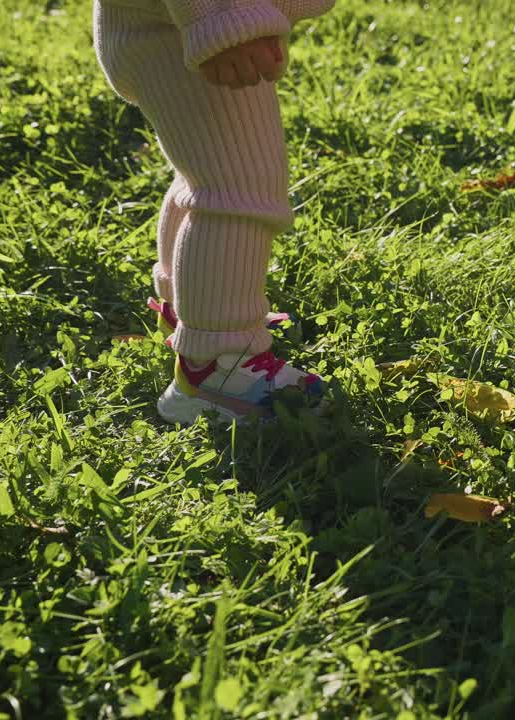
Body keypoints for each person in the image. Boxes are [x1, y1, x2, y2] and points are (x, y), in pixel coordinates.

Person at [93, 0, 335, 424]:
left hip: (179, 22)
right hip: (186, 23)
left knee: (211, 171)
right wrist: (222, 18)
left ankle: (190, 310)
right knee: (237, 187)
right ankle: (217, 366)